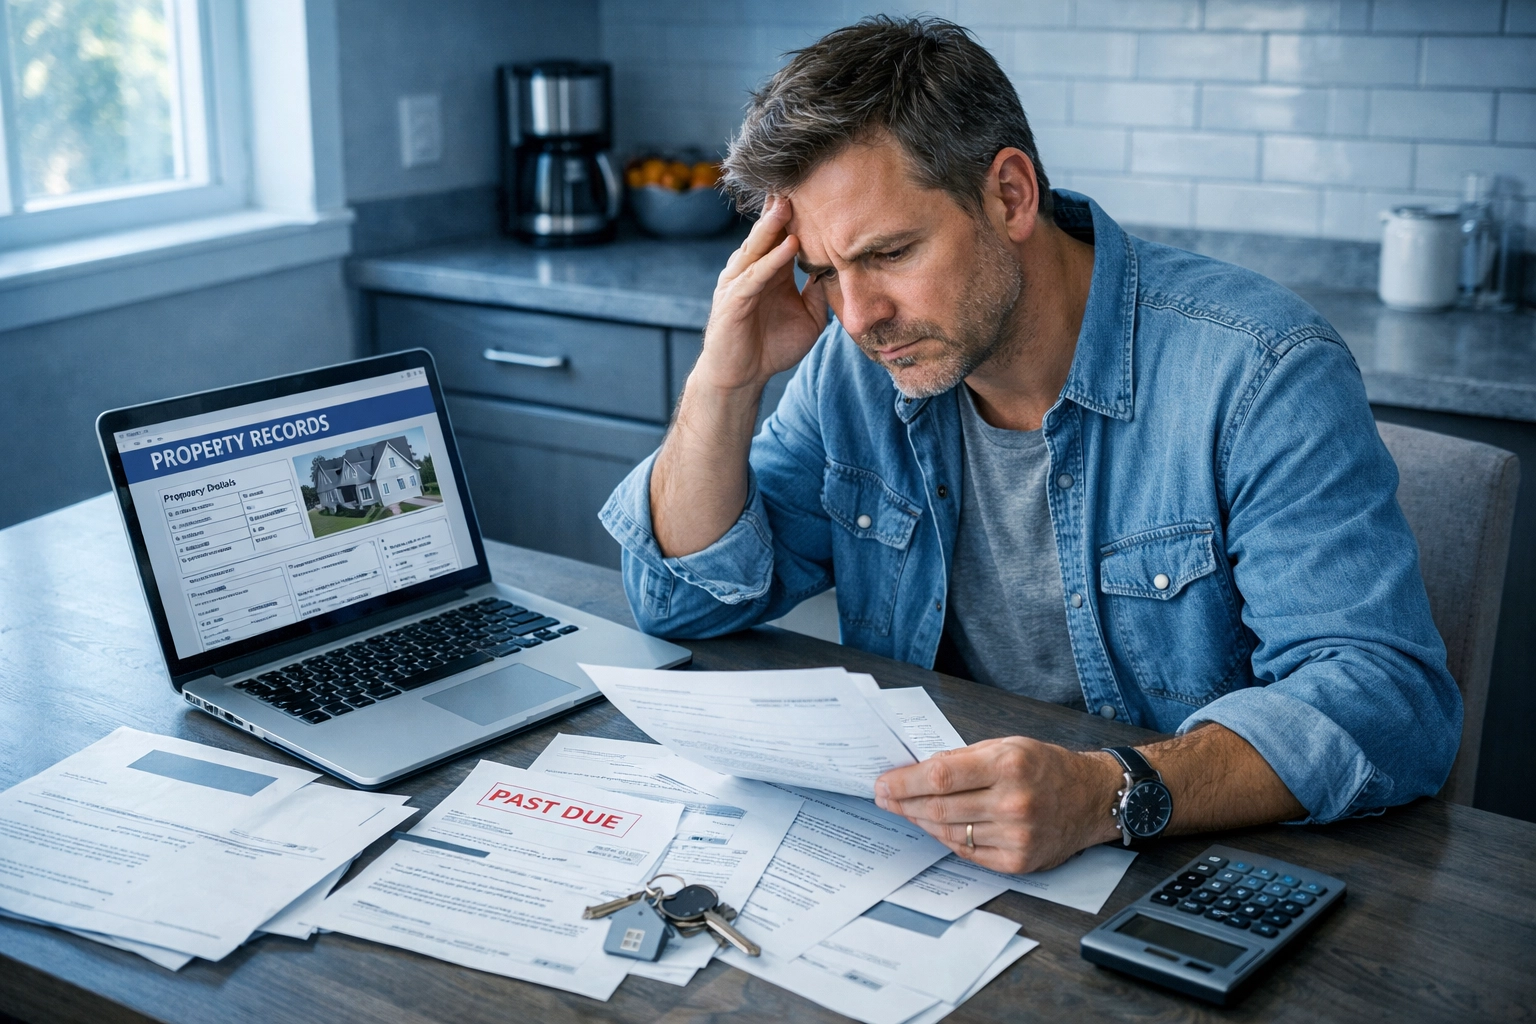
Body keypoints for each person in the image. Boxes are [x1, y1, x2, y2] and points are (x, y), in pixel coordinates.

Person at [599, 17, 1461, 874]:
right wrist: (725, 379)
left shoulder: (1259, 371)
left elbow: (1386, 703)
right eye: (823, 271)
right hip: (948, 855)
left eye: (890, 253)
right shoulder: (856, 366)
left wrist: (1104, 794)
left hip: (1184, 865)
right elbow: (682, 603)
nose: (858, 318)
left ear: (1010, 195)